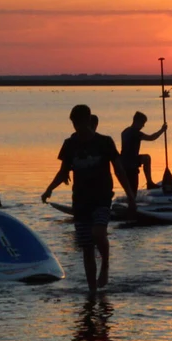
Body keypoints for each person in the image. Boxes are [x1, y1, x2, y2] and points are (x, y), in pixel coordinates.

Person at [41, 105, 136, 294]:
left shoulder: (104, 142)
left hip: (101, 197)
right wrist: (49, 189)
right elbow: (63, 172)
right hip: (80, 200)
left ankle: (106, 264)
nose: (77, 127)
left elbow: (118, 170)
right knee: (86, 247)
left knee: (99, 233)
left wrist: (131, 197)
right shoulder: (70, 144)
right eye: (74, 123)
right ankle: (92, 290)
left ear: (88, 120)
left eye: (79, 122)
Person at [120, 112, 167, 191]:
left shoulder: (125, 131)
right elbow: (151, 138)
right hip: (130, 161)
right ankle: (149, 183)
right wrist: (162, 130)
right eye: (142, 123)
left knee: (146, 158)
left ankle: (149, 182)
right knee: (146, 158)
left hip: (123, 160)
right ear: (137, 121)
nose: (143, 126)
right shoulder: (136, 133)